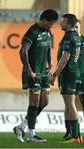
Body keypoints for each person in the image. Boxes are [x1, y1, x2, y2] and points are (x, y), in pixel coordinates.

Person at [13, 9, 59, 143]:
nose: (51, 26)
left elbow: (48, 49)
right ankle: (32, 135)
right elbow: (23, 52)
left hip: (44, 73)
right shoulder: (32, 32)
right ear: (43, 20)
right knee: (34, 102)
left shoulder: (48, 32)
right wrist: (29, 71)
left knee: (44, 102)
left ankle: (21, 127)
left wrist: (50, 64)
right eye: (50, 23)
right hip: (34, 73)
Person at [51, 14, 82, 143]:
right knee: (69, 105)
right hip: (74, 73)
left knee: (70, 105)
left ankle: (76, 137)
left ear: (69, 24)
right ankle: (74, 135)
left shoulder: (69, 37)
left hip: (68, 74)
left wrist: (54, 74)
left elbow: (65, 58)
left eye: (63, 22)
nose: (60, 23)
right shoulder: (76, 36)